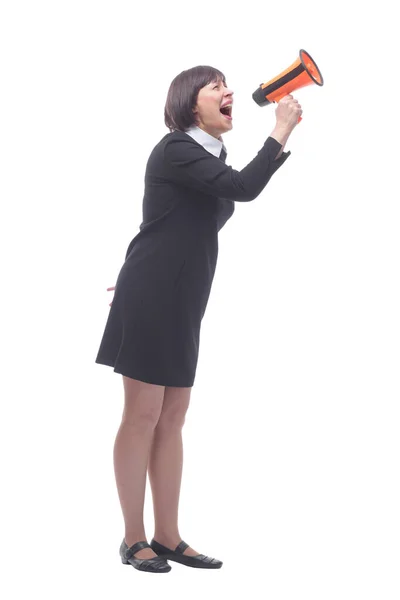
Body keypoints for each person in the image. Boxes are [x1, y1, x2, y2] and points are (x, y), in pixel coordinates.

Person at [95, 65, 302, 573]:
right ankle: (132, 539)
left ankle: (168, 536)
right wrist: (280, 130)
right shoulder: (176, 148)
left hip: (182, 299)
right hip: (152, 295)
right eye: (216, 86)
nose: (228, 91)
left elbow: (176, 220)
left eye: (227, 85)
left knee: (172, 418)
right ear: (191, 102)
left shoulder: (210, 155)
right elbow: (244, 189)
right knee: (142, 415)